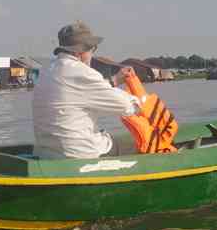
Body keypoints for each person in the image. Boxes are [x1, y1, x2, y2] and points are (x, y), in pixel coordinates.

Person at [32, 21, 141, 159]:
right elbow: (126, 106)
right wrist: (141, 102)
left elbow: (79, 91)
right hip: (81, 154)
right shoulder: (83, 72)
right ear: (81, 51)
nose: (92, 54)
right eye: (93, 49)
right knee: (139, 143)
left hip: (46, 153)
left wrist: (114, 81)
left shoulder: (47, 71)